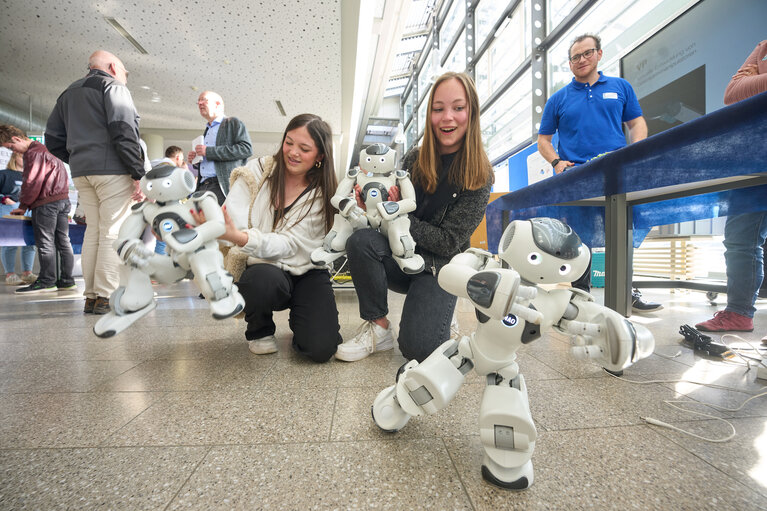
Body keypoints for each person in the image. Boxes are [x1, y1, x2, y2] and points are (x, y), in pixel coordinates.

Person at [335, 71, 493, 363]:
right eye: (438, 109)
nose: (447, 117)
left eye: (458, 108)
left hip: (439, 269)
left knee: (419, 351)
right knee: (361, 240)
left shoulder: (480, 176)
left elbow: (448, 243)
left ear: (472, 113)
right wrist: (370, 210)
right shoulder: (413, 160)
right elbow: (384, 222)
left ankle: (442, 313)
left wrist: (398, 217)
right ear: (429, 115)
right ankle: (378, 328)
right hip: (399, 257)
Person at [192, 113, 341, 362]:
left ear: (320, 156)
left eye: (304, 148)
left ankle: (303, 316)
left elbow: (291, 244)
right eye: (289, 142)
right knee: (260, 280)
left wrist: (240, 237)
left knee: (320, 349)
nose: (292, 152)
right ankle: (259, 328)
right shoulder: (257, 171)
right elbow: (231, 218)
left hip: (307, 270)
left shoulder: (323, 194)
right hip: (263, 267)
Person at [536, 33, 660, 313]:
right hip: (576, 177)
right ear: (569, 64)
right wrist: (557, 162)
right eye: (575, 57)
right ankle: (580, 294)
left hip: (616, 172)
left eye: (587, 53)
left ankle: (628, 292)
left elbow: (637, 124)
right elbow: (543, 140)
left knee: (623, 231)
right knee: (579, 238)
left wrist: (635, 152)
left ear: (599, 54)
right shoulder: (558, 99)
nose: (581, 60)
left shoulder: (620, 87)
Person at [45, 50, 147, 314]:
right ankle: (106, 296)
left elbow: (53, 139)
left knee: (94, 232)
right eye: (126, 72)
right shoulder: (113, 86)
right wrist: (137, 172)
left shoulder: (68, 92)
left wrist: (79, 158)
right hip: (113, 170)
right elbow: (123, 130)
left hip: (82, 172)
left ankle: (91, 296)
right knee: (113, 230)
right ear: (113, 67)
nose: (126, 78)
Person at [695, 40, 767, 333]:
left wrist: (756, 79)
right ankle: (739, 312)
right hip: (755, 156)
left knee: (742, 240)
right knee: (739, 240)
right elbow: (733, 93)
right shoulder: (764, 47)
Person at [0, 125, 75, 294]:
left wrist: (23, 206)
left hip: (46, 203)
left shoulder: (33, 153)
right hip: (63, 201)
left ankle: (47, 281)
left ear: (16, 139)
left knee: (45, 242)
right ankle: (67, 280)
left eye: (11, 147)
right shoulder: (49, 150)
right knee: (63, 242)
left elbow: (32, 181)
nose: (13, 151)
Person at [187, 91, 252, 205]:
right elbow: (210, 159)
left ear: (218, 104)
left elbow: (246, 149)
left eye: (204, 100)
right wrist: (197, 160)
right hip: (202, 186)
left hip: (221, 186)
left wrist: (208, 151)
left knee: (219, 222)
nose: (200, 103)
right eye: (198, 101)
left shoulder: (232, 123)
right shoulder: (208, 129)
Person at [0, 151, 37, 285]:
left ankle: (27, 273)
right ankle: (10, 274)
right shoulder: (3, 174)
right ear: (15, 156)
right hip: (10, 212)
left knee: (31, 243)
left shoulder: (30, 177)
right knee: (10, 244)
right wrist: (4, 199)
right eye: (23, 156)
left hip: (29, 211)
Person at [152, 145, 192, 256]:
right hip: (168, 210)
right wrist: (185, 173)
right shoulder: (172, 170)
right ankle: (161, 268)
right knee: (164, 242)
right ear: (178, 157)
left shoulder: (158, 166)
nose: (182, 161)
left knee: (161, 240)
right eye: (182, 158)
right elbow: (180, 193)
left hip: (159, 207)